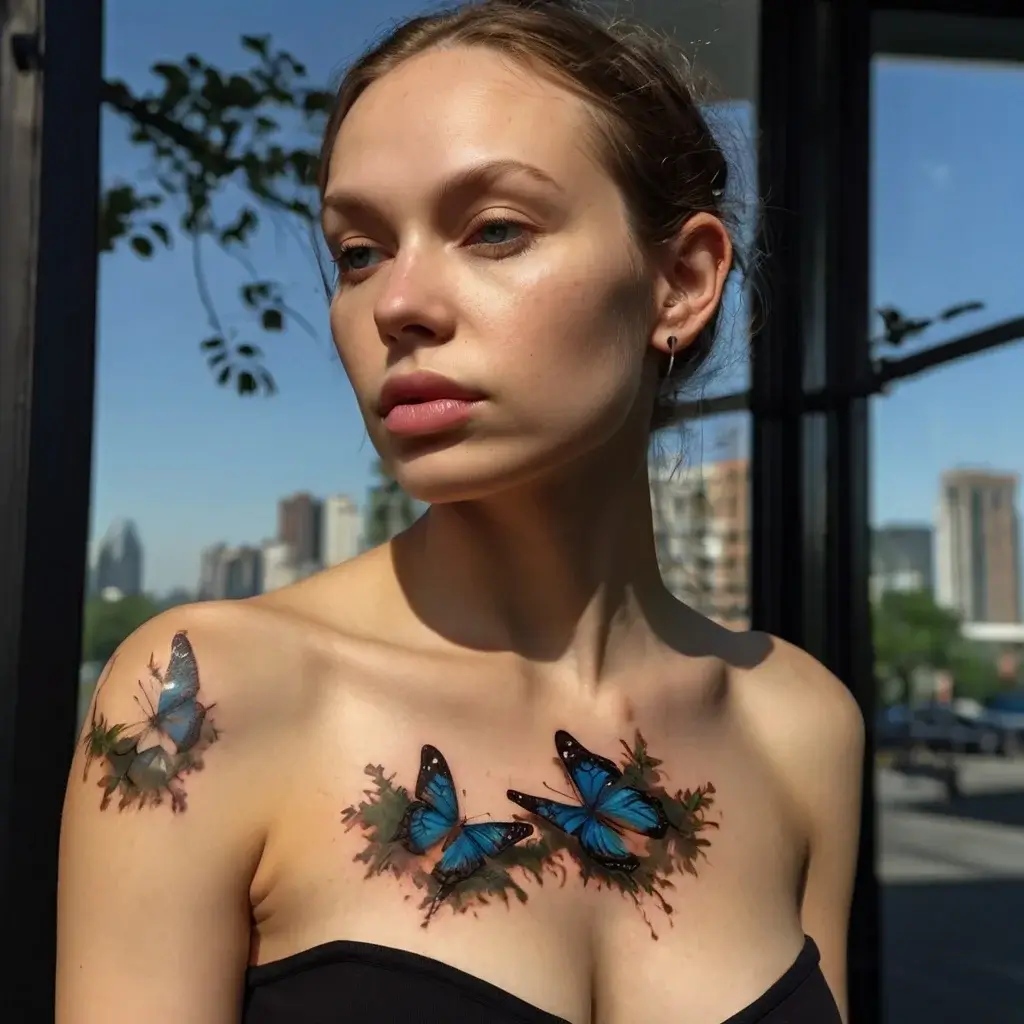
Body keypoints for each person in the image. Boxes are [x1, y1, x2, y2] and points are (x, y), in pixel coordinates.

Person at [56, 2, 863, 1022]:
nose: (397, 303)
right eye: (358, 251)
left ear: (681, 280)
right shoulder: (215, 697)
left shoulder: (799, 726)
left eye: (493, 229)